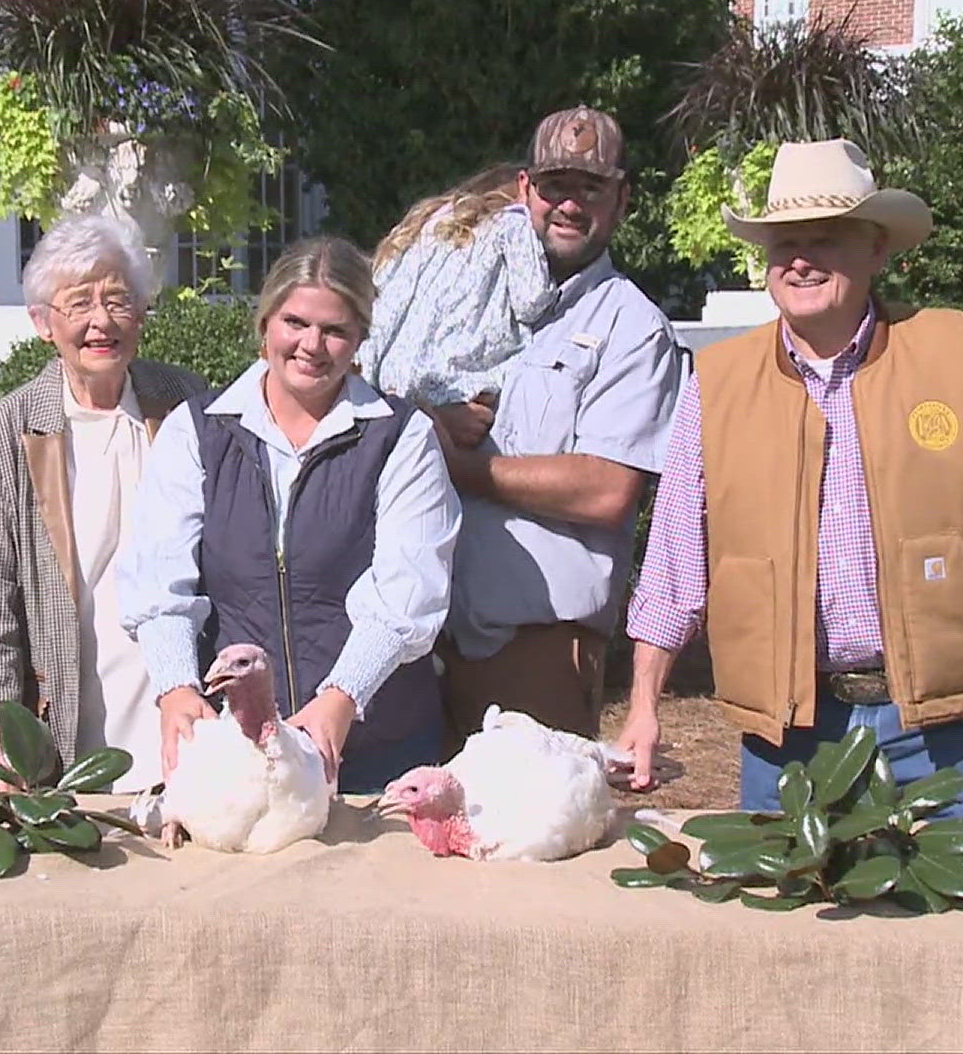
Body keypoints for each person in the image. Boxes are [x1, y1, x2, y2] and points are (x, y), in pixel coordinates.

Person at [620, 138, 963, 895]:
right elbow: (675, 565)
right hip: (791, 731)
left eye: (825, 238)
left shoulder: (954, 353)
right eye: (784, 243)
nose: (800, 260)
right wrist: (643, 706)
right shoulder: (717, 384)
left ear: (876, 249)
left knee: (960, 938)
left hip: (941, 725)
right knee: (795, 941)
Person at [380, 106, 687, 749]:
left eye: (590, 188)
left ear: (622, 199)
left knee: (528, 838)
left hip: (535, 655)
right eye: (555, 188)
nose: (569, 205)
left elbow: (607, 489)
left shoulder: (632, 328)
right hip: (417, 646)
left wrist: (458, 467)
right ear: (525, 191)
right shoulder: (474, 297)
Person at [121, 236, 462, 793]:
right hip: (245, 750)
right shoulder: (197, 430)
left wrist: (343, 696)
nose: (312, 345)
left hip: (377, 746)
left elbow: (409, 592)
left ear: (359, 340)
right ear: (265, 323)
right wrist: (178, 687)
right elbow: (159, 578)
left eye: (335, 330)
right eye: (295, 322)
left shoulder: (403, 437)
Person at [0, 215, 206, 794]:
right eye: (78, 304)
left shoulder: (189, 406)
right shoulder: (3, 435)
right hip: (68, 712)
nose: (100, 321)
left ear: (141, 314)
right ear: (43, 323)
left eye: (117, 299)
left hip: (183, 702)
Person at [361, 163, 560, 418]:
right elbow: (532, 300)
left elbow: (382, 287)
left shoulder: (427, 221)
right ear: (523, 189)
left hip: (389, 380)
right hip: (454, 384)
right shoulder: (512, 221)